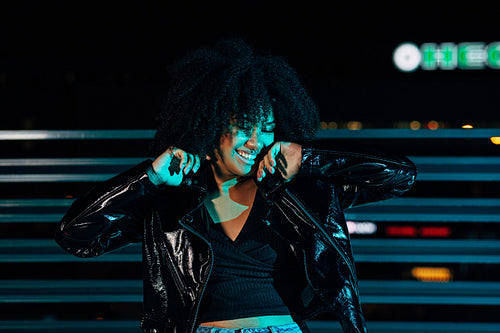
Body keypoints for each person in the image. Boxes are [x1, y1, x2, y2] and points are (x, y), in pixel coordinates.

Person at [55, 38, 417, 333]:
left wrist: (309, 159)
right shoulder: (167, 202)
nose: (255, 141)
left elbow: (400, 177)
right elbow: (76, 236)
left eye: (266, 128)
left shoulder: (298, 192)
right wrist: (147, 177)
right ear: (209, 127)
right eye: (244, 127)